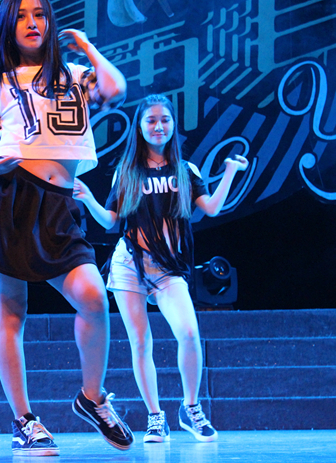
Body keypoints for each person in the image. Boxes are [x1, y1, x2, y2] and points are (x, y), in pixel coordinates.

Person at [0, 0, 134, 456]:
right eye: (22, 16)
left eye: (40, 14)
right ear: (7, 27)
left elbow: (115, 89)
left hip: (57, 205)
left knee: (93, 297)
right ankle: (24, 421)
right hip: (5, 199)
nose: (32, 23)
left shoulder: (73, 76)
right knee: (11, 311)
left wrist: (87, 46)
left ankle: (92, 398)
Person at [73, 94, 248, 444]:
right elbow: (110, 220)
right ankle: (155, 417)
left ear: (172, 124)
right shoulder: (127, 171)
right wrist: (88, 198)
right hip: (130, 264)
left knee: (189, 333)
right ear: (139, 127)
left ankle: (191, 408)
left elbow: (211, 208)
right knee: (141, 343)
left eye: (165, 120)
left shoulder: (186, 171)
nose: (158, 126)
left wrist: (230, 171)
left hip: (169, 268)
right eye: (151, 120)